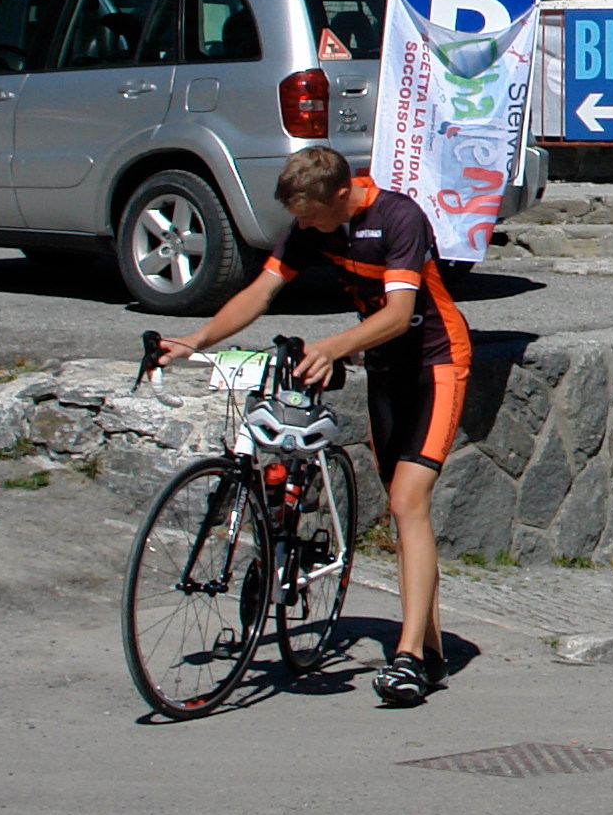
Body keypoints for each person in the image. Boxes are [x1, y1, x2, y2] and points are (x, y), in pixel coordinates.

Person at [152, 145, 470, 707]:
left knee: (407, 503)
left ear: (342, 195)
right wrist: (194, 340)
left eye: (312, 215)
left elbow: (399, 315)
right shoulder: (313, 224)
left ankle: (406, 657)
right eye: (298, 217)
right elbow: (261, 291)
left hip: (436, 363)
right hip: (385, 372)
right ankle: (430, 651)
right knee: (404, 513)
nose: (305, 226)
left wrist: (330, 348)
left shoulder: (398, 217)